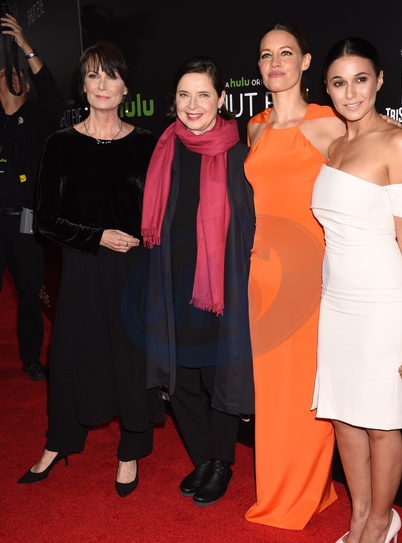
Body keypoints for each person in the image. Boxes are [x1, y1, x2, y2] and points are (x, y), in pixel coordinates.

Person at [311, 36, 402, 543]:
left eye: (361, 79)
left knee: (381, 420)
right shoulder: (334, 146)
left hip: (382, 302)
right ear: (327, 88)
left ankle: (383, 520)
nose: (351, 93)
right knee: (344, 416)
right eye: (339, 83)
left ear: (381, 80)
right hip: (336, 301)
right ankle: (361, 513)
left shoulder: (398, 143)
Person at [17, 41, 166, 497]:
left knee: (131, 357)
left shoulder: (148, 143)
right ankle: (59, 440)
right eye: (94, 75)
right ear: (82, 86)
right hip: (83, 266)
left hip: (133, 270)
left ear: (126, 88)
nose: (103, 84)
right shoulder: (60, 144)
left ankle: (132, 448)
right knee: (70, 356)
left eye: (111, 75)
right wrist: (97, 235)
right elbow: (45, 219)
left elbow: (162, 210)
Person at [243, 21, 346, 530]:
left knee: (306, 389)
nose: (275, 63)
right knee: (273, 390)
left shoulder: (328, 124)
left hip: (311, 275)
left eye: (286, 53)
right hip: (262, 275)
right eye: (266, 55)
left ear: (305, 62)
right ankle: (288, 487)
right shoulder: (255, 128)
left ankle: (301, 493)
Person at [141, 55, 255, 506]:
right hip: (172, 278)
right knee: (181, 378)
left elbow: (251, 223)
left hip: (220, 285)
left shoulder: (239, 154)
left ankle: (220, 461)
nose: (192, 105)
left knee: (217, 374)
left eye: (203, 94)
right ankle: (206, 458)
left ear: (221, 98)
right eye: (184, 95)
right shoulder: (165, 149)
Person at [0, 12, 64, 381]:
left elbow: (52, 93)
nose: (14, 76)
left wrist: (24, 46)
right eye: (5, 73)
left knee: (28, 296)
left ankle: (30, 359)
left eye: (19, 73)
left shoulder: (40, 118)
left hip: (27, 225)